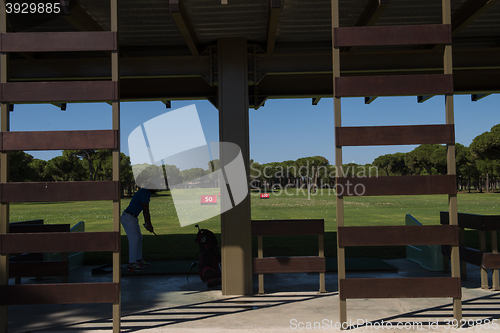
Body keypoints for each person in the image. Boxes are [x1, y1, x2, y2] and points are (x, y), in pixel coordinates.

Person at [121, 187, 158, 272]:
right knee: (134, 240)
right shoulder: (144, 192)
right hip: (128, 218)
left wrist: (148, 224)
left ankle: (138, 260)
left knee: (139, 238)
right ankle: (132, 264)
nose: (157, 190)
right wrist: (149, 224)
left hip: (132, 218)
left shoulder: (146, 192)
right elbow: (146, 210)